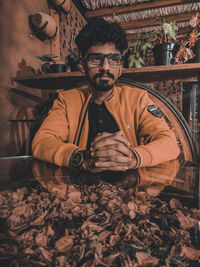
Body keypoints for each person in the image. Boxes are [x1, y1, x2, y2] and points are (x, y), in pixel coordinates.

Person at [32, 18, 180, 183]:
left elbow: (169, 143)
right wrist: (81, 158)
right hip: (78, 194)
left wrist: (133, 158)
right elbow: (42, 141)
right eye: (96, 59)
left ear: (121, 67)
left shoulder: (138, 99)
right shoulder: (66, 100)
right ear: (83, 65)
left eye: (113, 59)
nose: (105, 67)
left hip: (129, 193)